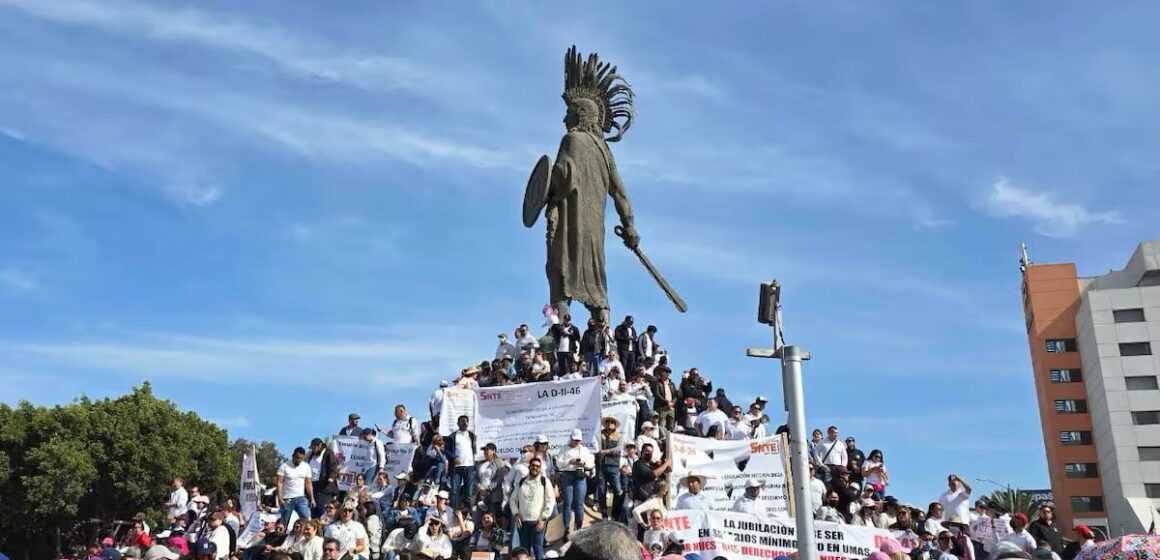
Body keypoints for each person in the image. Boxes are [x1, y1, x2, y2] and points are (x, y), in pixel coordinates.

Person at [510, 457, 555, 560]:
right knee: (524, 550)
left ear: (540, 468)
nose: (535, 468)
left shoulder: (544, 481)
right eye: (533, 465)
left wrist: (543, 518)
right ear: (529, 467)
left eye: (537, 466)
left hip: (537, 522)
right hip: (523, 522)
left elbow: (550, 500)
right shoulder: (522, 482)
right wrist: (516, 513)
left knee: (537, 547)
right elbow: (512, 499)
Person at [556, 428, 595, 537]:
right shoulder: (564, 449)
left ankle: (579, 529)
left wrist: (583, 463)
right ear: (570, 438)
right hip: (568, 475)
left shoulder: (584, 450)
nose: (576, 442)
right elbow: (559, 464)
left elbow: (590, 464)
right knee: (567, 504)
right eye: (574, 440)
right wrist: (570, 461)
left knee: (579, 504)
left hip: (580, 476)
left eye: (578, 440)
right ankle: (566, 529)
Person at [446, 415, 478, 510]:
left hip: (470, 467)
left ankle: (468, 514)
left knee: (469, 492)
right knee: (454, 491)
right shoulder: (453, 436)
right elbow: (446, 450)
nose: (464, 423)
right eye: (462, 421)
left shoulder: (472, 435)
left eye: (466, 421)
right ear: (458, 423)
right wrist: (453, 457)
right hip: (457, 467)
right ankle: (451, 513)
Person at [277, 446, 316, 527]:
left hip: (301, 498)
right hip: (287, 498)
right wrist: (280, 498)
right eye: (297, 458)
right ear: (293, 456)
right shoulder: (284, 466)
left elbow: (308, 483)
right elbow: (279, 483)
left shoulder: (306, 467)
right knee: (284, 521)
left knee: (306, 520)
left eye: (301, 458)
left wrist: (312, 498)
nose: (299, 460)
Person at [596, 417, 624, 518]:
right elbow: (596, 447)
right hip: (601, 466)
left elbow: (619, 448)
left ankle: (615, 513)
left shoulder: (619, 435)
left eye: (612, 422)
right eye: (608, 422)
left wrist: (606, 451)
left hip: (613, 466)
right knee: (601, 491)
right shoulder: (599, 435)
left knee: (617, 489)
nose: (609, 424)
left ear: (615, 425)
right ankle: (604, 513)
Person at [308, 438, 340, 517]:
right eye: (311, 448)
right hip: (313, 484)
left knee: (321, 508)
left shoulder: (327, 452)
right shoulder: (312, 454)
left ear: (319, 446)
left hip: (325, 485)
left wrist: (331, 477)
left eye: (314, 447)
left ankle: (321, 525)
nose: (313, 450)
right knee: (313, 508)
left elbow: (333, 465)